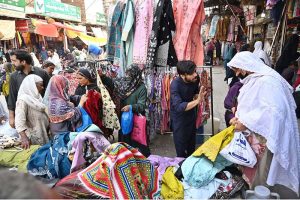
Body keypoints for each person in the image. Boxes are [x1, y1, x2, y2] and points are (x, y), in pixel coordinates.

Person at [227, 51, 300, 197]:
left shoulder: (267, 82)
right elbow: (256, 106)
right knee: (254, 166)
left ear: (245, 67)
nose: (237, 73)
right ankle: (254, 189)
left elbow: (271, 112)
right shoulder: (259, 79)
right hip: (260, 132)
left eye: (237, 70)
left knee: (261, 170)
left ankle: (258, 194)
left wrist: (245, 122)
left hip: (267, 135)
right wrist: (240, 118)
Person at [170, 61, 206, 158]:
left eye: (195, 71)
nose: (195, 74)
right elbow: (178, 106)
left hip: (191, 116)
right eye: (192, 73)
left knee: (191, 146)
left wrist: (197, 95)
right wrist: (197, 101)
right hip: (179, 120)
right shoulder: (175, 85)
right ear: (183, 75)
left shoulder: (195, 79)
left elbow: (195, 92)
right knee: (181, 149)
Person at [8, 50, 50, 129]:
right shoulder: (14, 76)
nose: (12, 63)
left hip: (42, 113)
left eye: (14, 61)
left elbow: (50, 92)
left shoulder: (41, 73)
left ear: (23, 62)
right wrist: (11, 117)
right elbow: (12, 97)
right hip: (24, 114)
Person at [114, 64, 149, 156]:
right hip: (124, 118)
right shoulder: (123, 84)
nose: (127, 76)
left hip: (135, 119)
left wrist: (131, 107)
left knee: (135, 141)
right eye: (127, 73)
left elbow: (142, 105)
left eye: (130, 74)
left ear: (136, 75)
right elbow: (111, 83)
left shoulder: (141, 88)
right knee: (124, 140)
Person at [15, 74, 50, 149]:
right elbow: (19, 121)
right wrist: (24, 138)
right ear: (33, 86)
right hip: (31, 139)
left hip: (42, 133)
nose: (42, 87)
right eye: (40, 85)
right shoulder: (23, 100)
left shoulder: (38, 98)